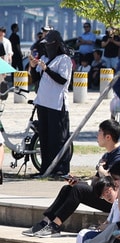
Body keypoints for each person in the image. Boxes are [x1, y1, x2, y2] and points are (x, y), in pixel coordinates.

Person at [26, 119, 120, 237]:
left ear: (108, 137)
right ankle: (46, 222)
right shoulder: (107, 155)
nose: (97, 135)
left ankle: (55, 226)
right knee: (68, 188)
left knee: (78, 190)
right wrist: (79, 181)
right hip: (104, 194)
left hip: (115, 201)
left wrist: (101, 170)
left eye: (99, 131)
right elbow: (96, 181)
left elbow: (114, 183)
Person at [30, 29, 73, 176]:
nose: (47, 47)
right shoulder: (44, 58)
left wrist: (46, 69)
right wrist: (32, 66)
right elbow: (35, 78)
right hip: (43, 103)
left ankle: (60, 169)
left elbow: (62, 80)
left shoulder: (64, 59)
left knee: (58, 139)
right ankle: (46, 168)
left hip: (57, 104)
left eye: (49, 44)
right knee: (45, 138)